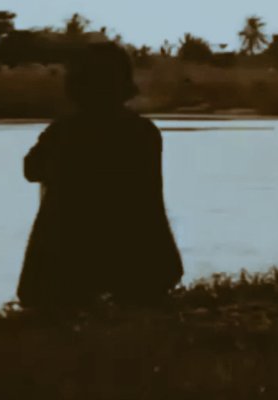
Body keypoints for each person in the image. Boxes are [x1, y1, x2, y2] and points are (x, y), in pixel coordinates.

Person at [16, 42, 183, 311]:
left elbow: (31, 170)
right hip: (142, 259)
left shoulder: (64, 132)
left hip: (70, 260)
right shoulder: (144, 132)